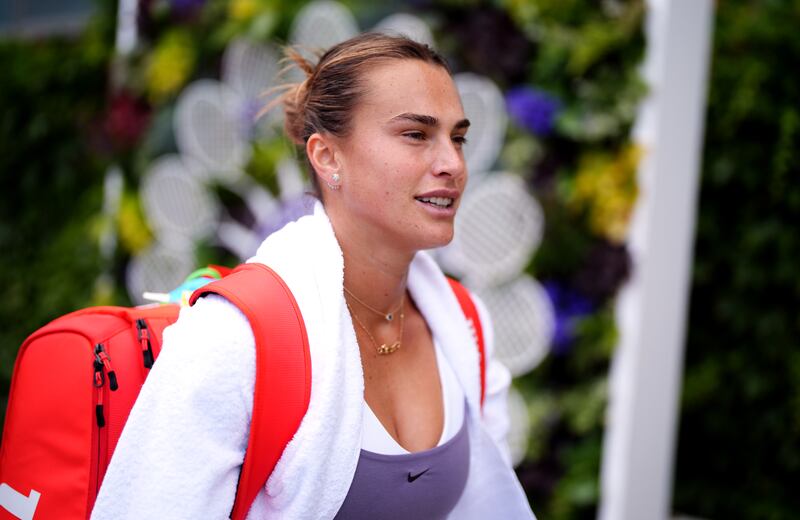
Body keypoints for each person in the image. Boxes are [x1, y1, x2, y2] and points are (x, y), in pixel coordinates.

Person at [92, 32, 536, 519]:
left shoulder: (463, 324)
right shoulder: (237, 336)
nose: (452, 163)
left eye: (458, 138)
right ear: (326, 157)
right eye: (416, 134)